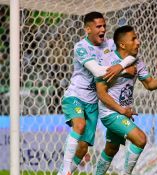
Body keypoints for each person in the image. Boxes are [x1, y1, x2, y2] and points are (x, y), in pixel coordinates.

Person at [58, 12, 137, 175]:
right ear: (87, 29)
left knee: (83, 148)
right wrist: (121, 69)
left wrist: (122, 64)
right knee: (79, 125)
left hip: (93, 102)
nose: (103, 29)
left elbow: (131, 56)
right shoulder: (81, 47)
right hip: (76, 96)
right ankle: (66, 170)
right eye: (98, 26)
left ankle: (62, 173)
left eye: (104, 26)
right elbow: (98, 71)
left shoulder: (110, 44)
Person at [94, 25, 157, 174]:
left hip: (122, 112)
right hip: (110, 112)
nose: (138, 42)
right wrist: (121, 110)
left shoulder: (138, 62)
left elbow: (149, 84)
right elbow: (101, 93)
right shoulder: (106, 60)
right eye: (133, 39)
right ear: (122, 44)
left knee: (111, 148)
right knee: (140, 139)